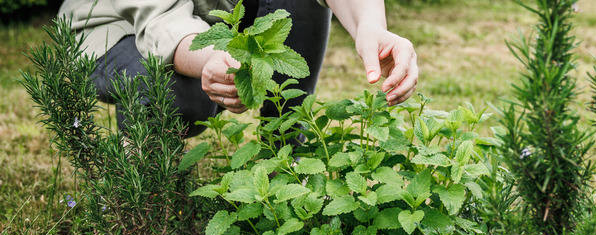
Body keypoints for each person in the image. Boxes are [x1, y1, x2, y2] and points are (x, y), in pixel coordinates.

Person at [58, 0, 419, 137]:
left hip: (212, 25)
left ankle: (286, 149)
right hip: (111, 32)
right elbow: (162, 24)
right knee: (182, 95)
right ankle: (145, 190)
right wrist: (216, 63)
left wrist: (372, 25)